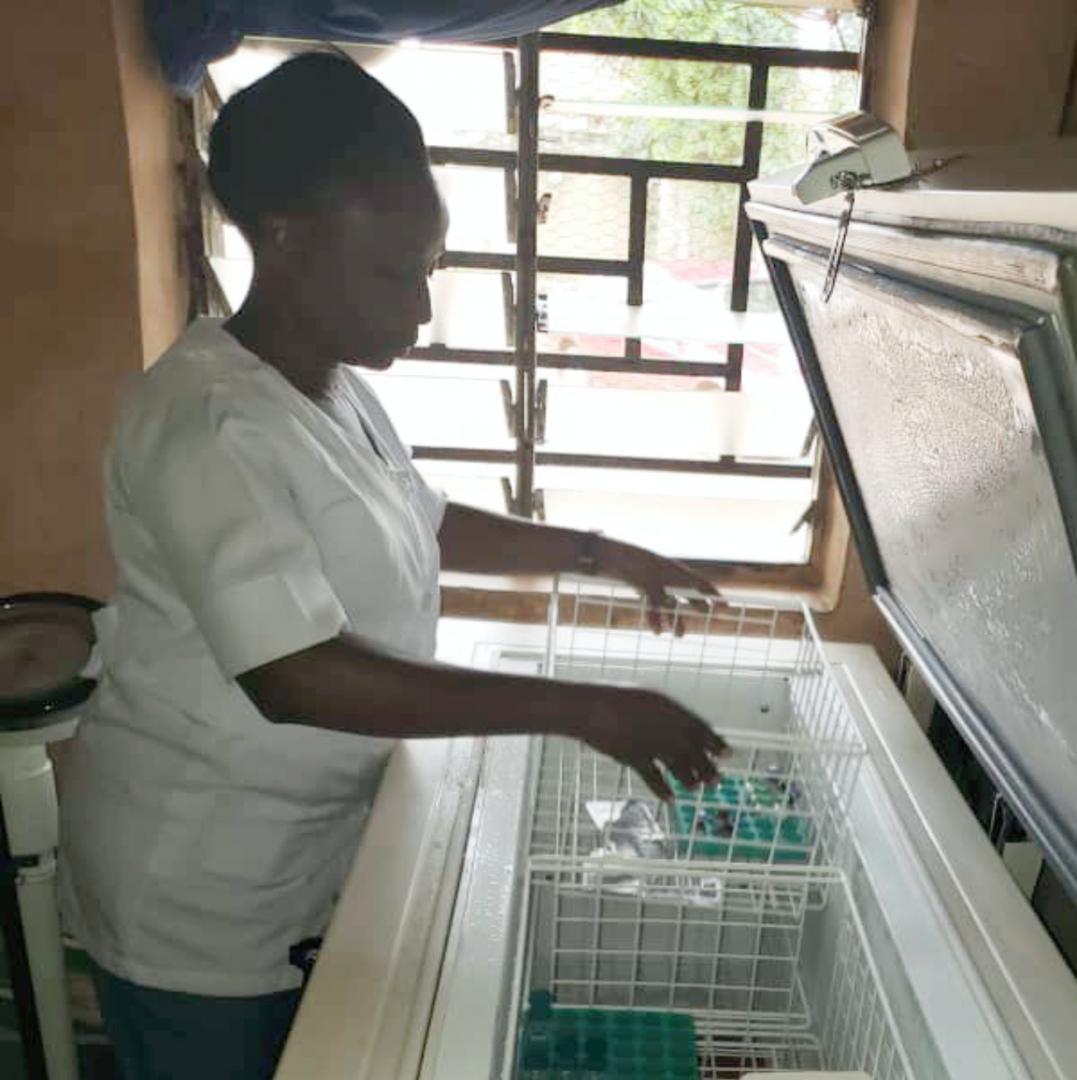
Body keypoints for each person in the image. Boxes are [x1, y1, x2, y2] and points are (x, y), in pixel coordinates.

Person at [57, 52, 725, 1080]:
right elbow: (293, 674)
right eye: (391, 273)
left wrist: (604, 555)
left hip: (306, 852)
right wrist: (583, 708)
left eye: (429, 267)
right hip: (201, 884)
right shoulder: (206, 424)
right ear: (283, 238)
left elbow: (421, 521)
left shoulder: (325, 385)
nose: (418, 308)